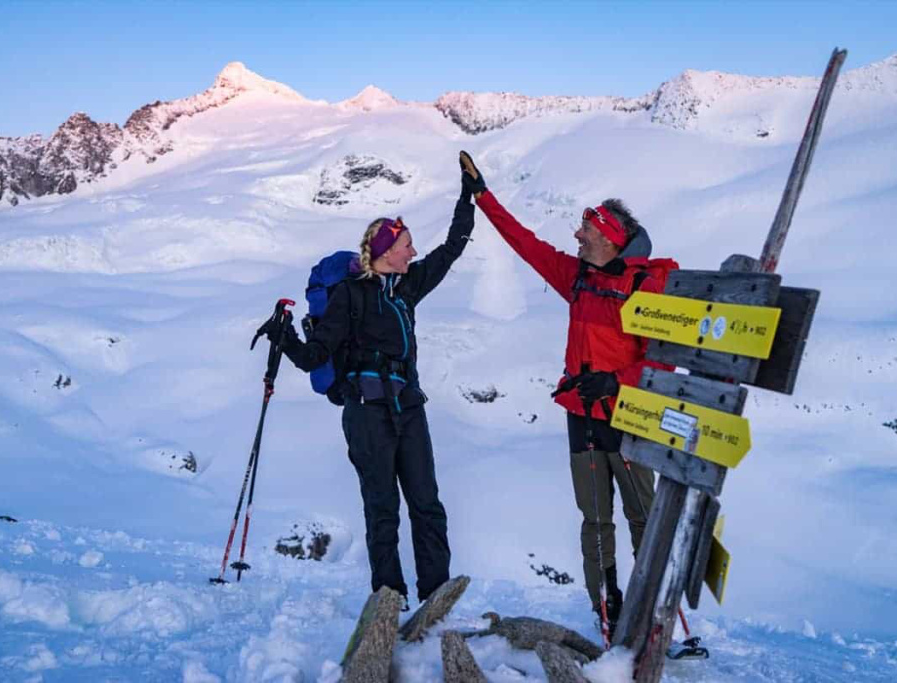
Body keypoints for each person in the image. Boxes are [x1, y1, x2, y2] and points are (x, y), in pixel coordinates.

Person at [459, 151, 676, 636]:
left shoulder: (644, 286)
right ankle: (607, 609)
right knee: (595, 520)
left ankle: (656, 615)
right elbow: (524, 243)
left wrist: (615, 381)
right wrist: (483, 196)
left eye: (586, 229)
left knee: (643, 516)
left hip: (628, 415)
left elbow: (662, 360)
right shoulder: (577, 277)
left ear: (610, 238)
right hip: (581, 412)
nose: (577, 236)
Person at [257, 163, 475, 606]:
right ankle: (389, 599)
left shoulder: (407, 287)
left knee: (427, 504)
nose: (414, 252)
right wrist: (285, 337)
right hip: (366, 412)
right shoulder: (350, 295)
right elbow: (315, 356)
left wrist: (467, 196)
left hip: (409, 407)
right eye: (407, 245)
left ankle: (436, 597)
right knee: (382, 509)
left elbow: (452, 248)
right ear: (387, 251)